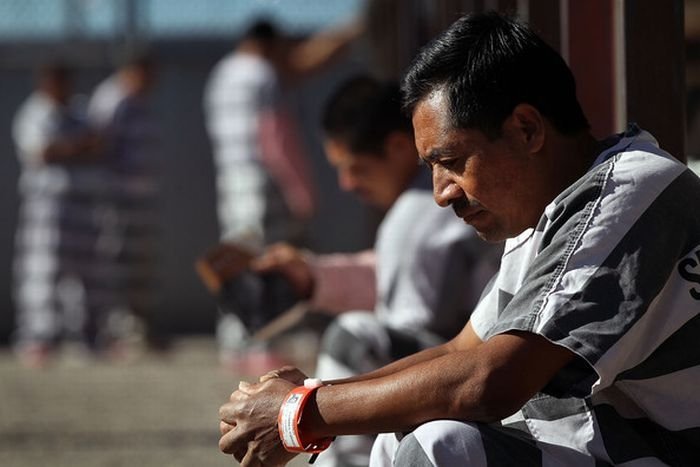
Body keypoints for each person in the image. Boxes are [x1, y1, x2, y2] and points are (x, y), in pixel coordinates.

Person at [218, 11, 700, 466]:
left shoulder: (630, 187)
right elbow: (463, 351)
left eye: (450, 161)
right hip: (602, 444)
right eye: (431, 168)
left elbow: (493, 380)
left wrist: (298, 414)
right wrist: (310, 400)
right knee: (403, 433)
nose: (441, 193)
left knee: (437, 447)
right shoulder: (544, 211)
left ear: (526, 129)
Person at [249, 75, 500, 467]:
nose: (347, 184)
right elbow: (390, 273)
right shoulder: (420, 209)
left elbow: (404, 328)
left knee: (356, 338)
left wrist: (307, 407)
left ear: (400, 147)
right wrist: (311, 276)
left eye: (356, 168)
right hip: (487, 366)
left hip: (486, 378)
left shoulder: (418, 211)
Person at [202, 18, 360, 363]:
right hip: (262, 181)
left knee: (235, 257)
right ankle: (260, 345)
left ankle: (234, 343)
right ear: (268, 45)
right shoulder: (262, 75)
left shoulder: (221, 75)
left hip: (230, 178)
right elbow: (277, 138)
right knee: (265, 260)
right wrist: (301, 189)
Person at [12, 63, 108, 366]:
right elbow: (43, 152)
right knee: (44, 271)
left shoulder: (79, 110)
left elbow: (98, 146)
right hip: (47, 205)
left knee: (87, 273)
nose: (61, 87)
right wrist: (78, 146)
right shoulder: (34, 113)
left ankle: (86, 337)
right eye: (55, 81)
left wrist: (72, 147)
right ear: (45, 82)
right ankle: (38, 338)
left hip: (83, 202)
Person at [87, 52, 162, 349]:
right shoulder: (111, 98)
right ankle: (111, 331)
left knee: (140, 265)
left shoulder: (139, 100)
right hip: (116, 197)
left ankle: (139, 330)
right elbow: (97, 144)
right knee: (115, 261)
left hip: (140, 198)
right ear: (133, 70)